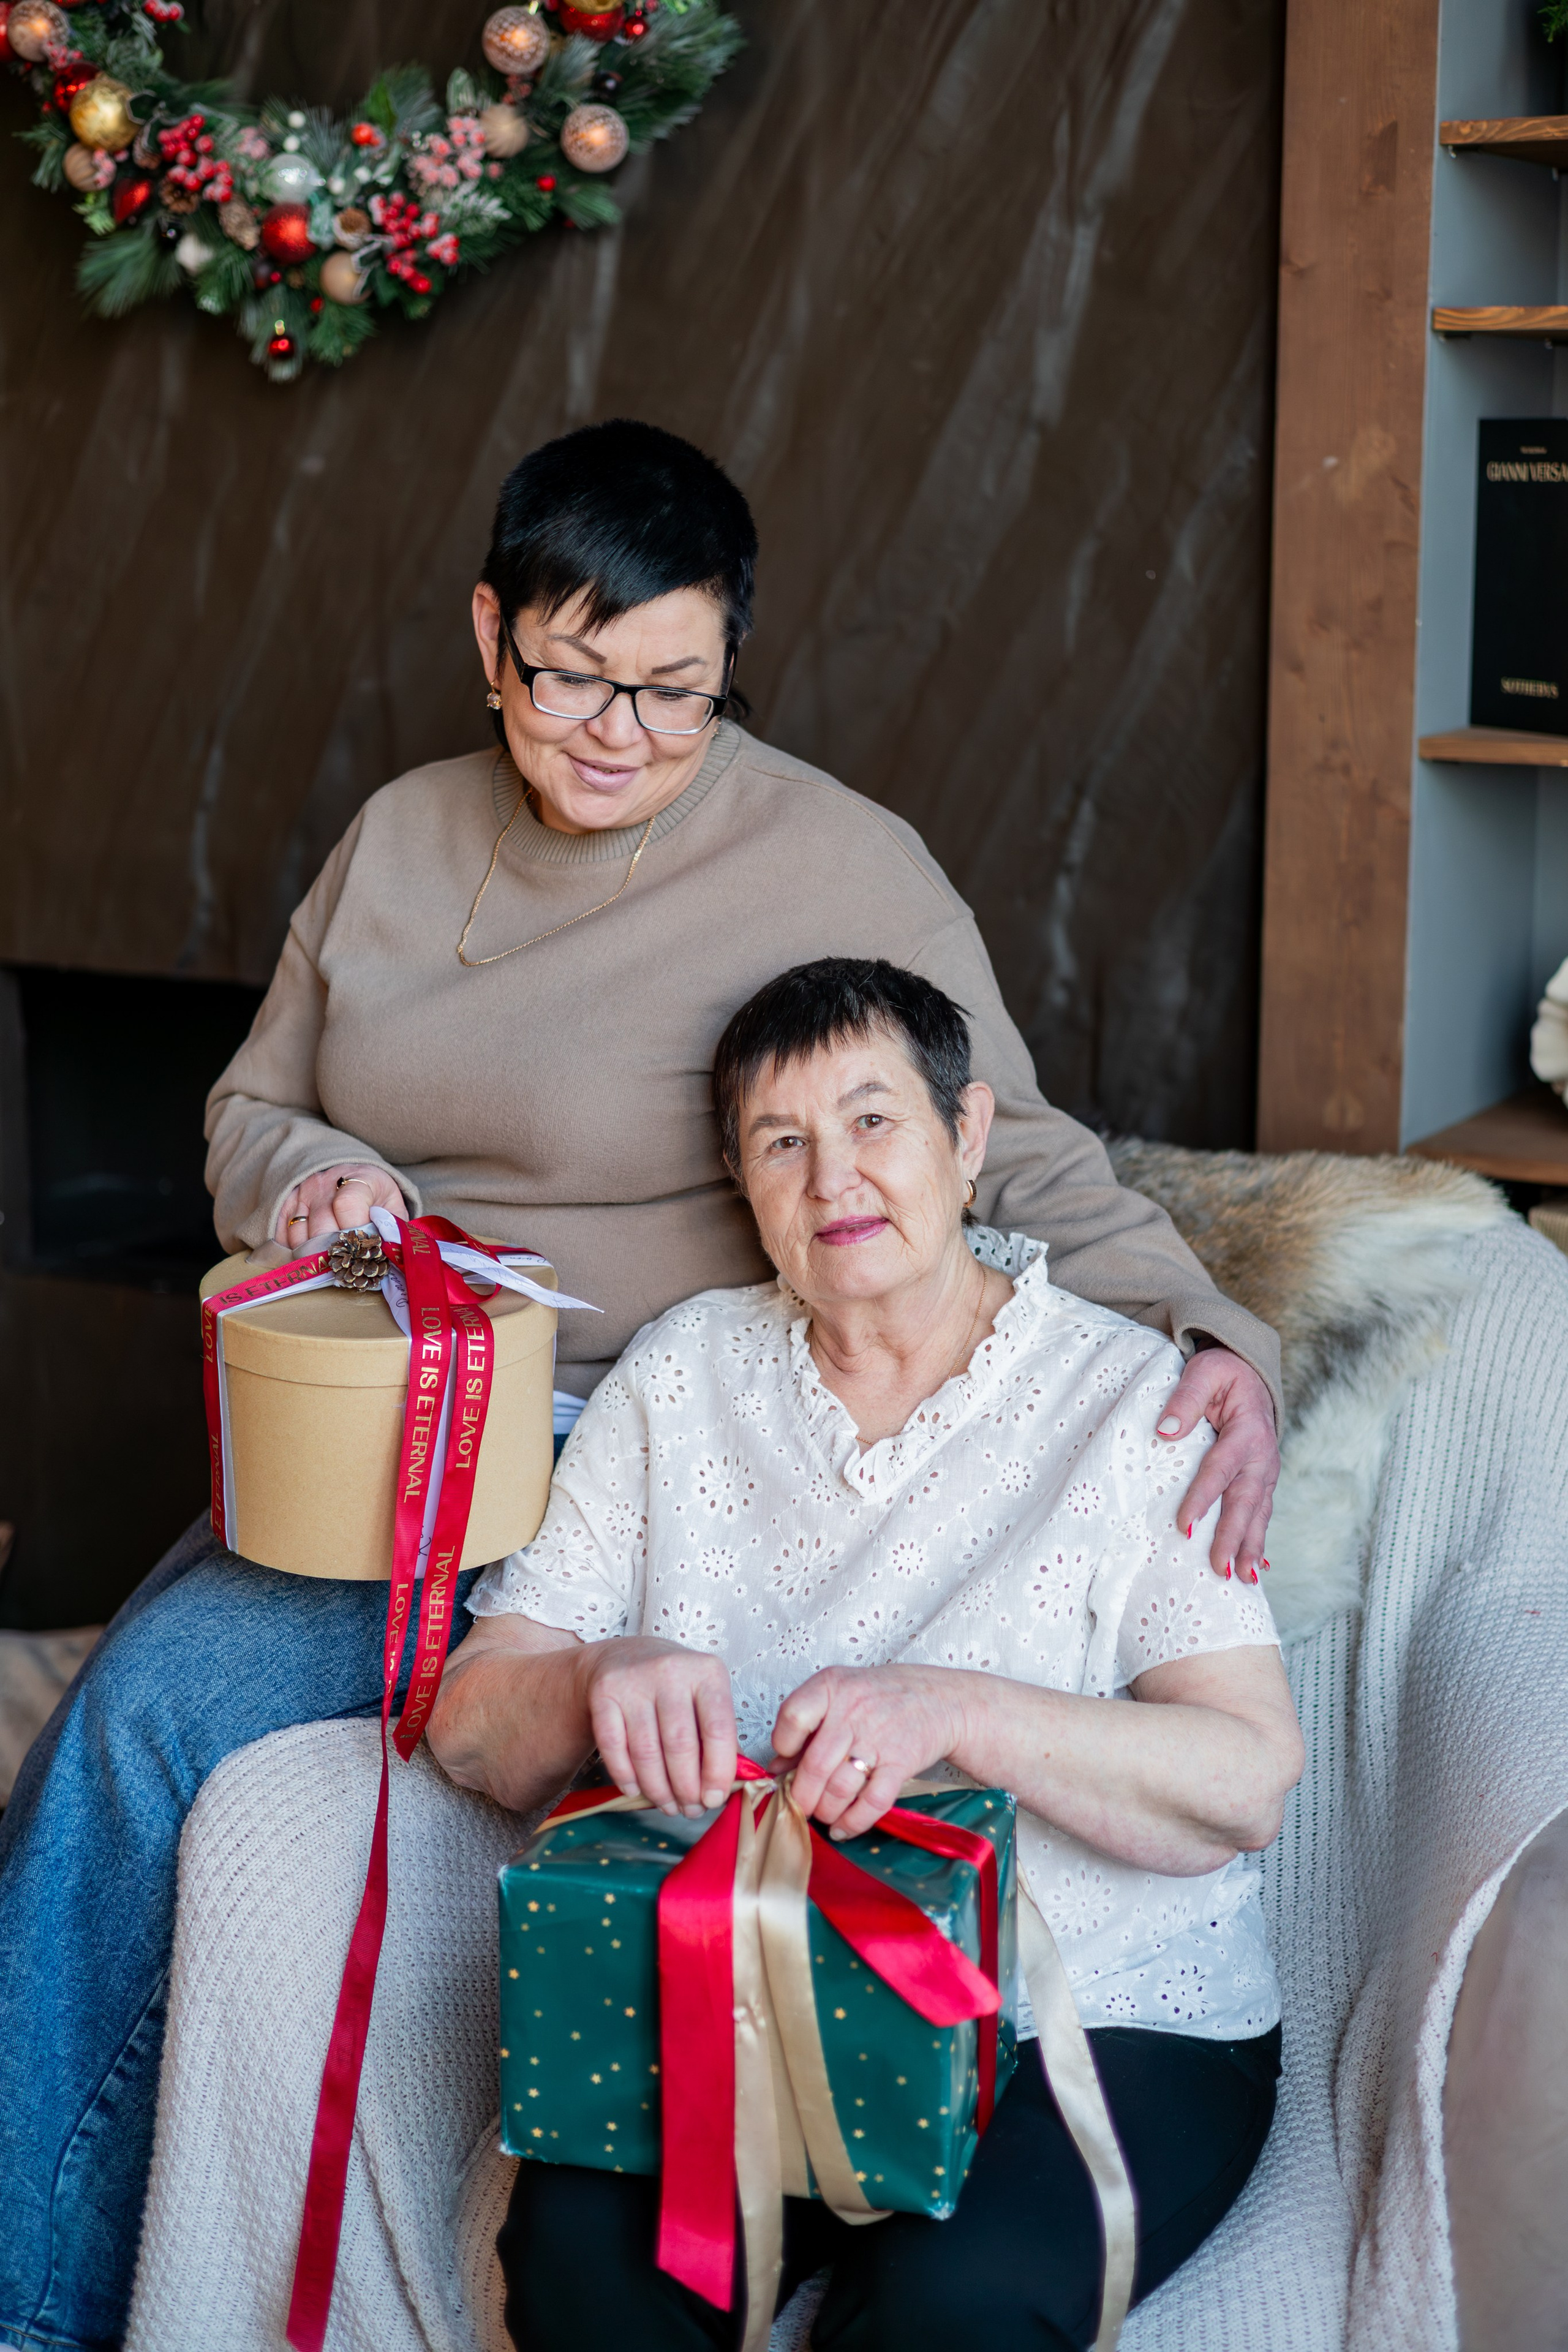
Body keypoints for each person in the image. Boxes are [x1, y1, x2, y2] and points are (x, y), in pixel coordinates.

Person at [0, 422, 1282, 2352]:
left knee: (163, 1700)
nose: (615, 730)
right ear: (489, 635)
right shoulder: (400, 841)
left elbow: (1000, 1151)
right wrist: (307, 1178)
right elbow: (251, 1101)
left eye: (675, 692)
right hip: (401, 1415)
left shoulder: (840, 860)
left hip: (639, 1437)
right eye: (573, 675)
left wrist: (1217, 1347)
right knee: (123, 1726)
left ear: (729, 663)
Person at [429, 958, 1303, 2352]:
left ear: (966, 1138)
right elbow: (469, 1722)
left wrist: (953, 1709)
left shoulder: (1130, 1399)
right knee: (581, 2275)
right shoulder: (679, 1378)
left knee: (947, 2314)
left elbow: (1247, 1774)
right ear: (743, 1182)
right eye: (784, 1142)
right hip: (760, 1990)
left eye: (874, 1121)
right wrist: (596, 1679)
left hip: (1099, 2013)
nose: (834, 1176)